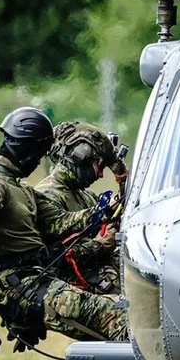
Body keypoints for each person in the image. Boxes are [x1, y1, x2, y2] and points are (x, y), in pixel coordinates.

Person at [0, 107, 128, 360]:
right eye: (37, 155)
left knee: (127, 316)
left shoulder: (21, 189)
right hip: (22, 286)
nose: (39, 163)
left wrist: (104, 210)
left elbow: (59, 222)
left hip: (37, 279)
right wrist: (5, 300)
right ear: (26, 150)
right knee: (120, 319)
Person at [36, 121, 127, 295]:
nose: (100, 174)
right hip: (70, 291)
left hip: (99, 277)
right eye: (98, 165)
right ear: (77, 157)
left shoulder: (84, 195)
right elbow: (50, 258)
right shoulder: (46, 195)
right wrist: (98, 245)